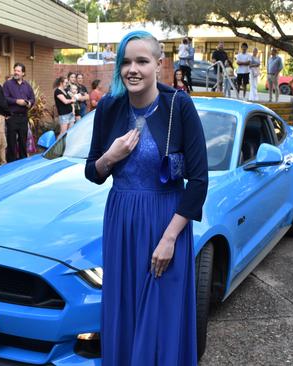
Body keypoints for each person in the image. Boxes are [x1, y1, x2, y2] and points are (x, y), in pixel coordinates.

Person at [85, 30, 208, 365]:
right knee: (123, 308)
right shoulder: (109, 107)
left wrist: (170, 238)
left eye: (141, 60)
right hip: (121, 222)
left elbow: (198, 181)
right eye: (125, 62)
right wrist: (110, 156)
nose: (132, 69)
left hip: (166, 222)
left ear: (159, 63)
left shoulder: (177, 106)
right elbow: (92, 173)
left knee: (161, 316)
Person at [3, 62, 34, 162]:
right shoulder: (8, 84)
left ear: (23, 73)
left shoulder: (27, 86)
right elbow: (5, 98)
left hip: (24, 117)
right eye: (15, 70)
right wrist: (16, 101)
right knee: (11, 143)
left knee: (23, 141)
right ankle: (11, 164)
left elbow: (32, 98)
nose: (16, 72)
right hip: (12, 117)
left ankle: (23, 163)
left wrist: (29, 103)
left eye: (18, 71)